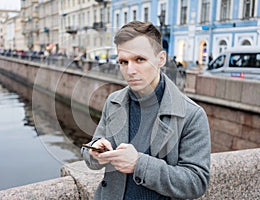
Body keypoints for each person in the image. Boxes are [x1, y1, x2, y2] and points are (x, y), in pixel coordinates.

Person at [81, 21, 211, 200]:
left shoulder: (192, 115)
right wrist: (94, 152)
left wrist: (139, 164)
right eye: (123, 62)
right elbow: (92, 152)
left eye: (139, 60)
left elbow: (196, 183)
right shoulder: (114, 101)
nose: (130, 70)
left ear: (161, 59)